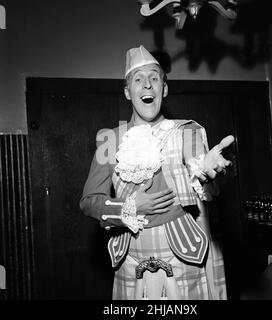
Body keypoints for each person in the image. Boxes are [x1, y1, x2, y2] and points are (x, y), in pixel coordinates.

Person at [80, 45, 234, 300]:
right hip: (130, 261)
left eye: (154, 78)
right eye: (138, 79)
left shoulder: (187, 131)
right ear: (128, 92)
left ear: (164, 88)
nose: (148, 85)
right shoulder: (109, 140)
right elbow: (88, 202)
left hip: (184, 256)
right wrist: (129, 207)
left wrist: (207, 171)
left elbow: (200, 170)